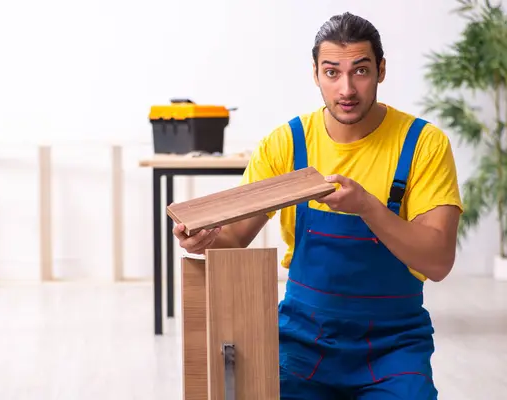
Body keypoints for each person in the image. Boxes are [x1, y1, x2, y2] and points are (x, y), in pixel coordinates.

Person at [173, 11, 462, 400]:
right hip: (301, 342)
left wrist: (367, 207)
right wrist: (203, 240)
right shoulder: (287, 143)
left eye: (360, 71)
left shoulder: (422, 144)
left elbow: (438, 261)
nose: (346, 88)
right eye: (332, 72)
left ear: (381, 70)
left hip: (393, 345)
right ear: (315, 74)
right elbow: (234, 238)